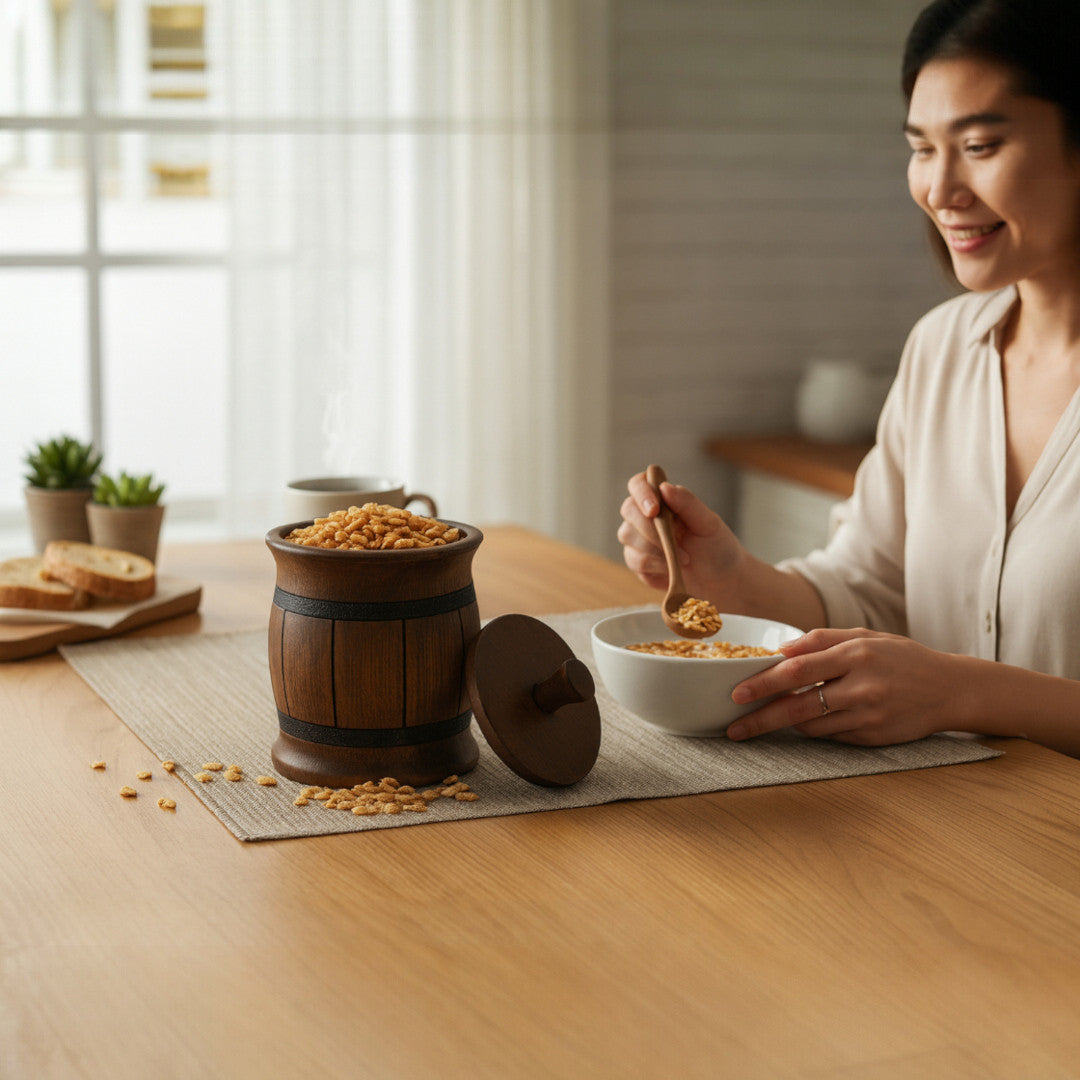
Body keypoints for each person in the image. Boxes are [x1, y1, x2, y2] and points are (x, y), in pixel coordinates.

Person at [618, 0, 1080, 758]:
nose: (940, 188)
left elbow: (943, 679)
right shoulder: (942, 350)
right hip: (942, 832)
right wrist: (730, 577)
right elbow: (872, 591)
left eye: (980, 144)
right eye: (922, 148)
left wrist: (962, 692)